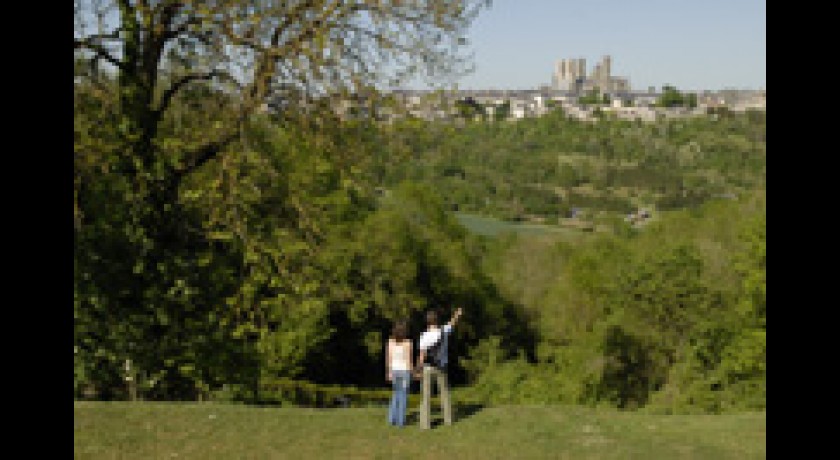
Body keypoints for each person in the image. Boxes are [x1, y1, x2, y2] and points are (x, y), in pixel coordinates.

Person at [417, 307, 463, 430]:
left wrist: (418, 369)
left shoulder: (424, 336)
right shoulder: (443, 330)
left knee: (426, 396)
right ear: (437, 320)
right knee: (444, 393)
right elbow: (452, 322)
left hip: (428, 367)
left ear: (427, 321)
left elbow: (422, 354)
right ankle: (448, 420)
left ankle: (425, 424)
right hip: (441, 366)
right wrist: (457, 314)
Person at [386, 320, 413, 427]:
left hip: (394, 370)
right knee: (403, 396)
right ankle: (400, 422)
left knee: (395, 394)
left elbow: (388, 358)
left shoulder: (390, 342)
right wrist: (413, 372)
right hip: (404, 371)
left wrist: (388, 372)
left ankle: (391, 419)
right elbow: (408, 360)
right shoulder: (408, 343)